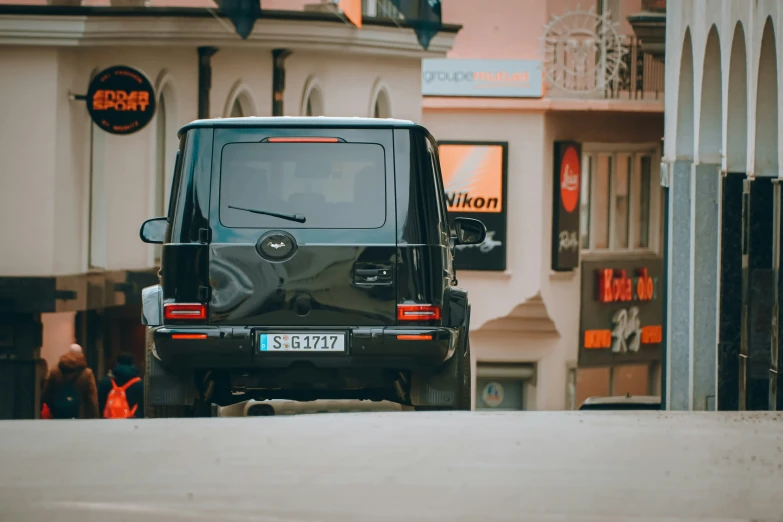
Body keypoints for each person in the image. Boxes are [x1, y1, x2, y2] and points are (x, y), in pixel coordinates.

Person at [41, 344, 99, 419]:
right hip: (80, 415)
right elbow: (92, 398)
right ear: (81, 355)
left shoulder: (55, 371)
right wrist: (95, 416)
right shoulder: (87, 374)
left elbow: (47, 394)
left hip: (58, 413)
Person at [98, 352, 144, 419]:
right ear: (132, 364)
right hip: (132, 421)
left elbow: (101, 404)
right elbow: (141, 406)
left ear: (117, 363)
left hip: (109, 422)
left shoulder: (105, 382)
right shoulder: (139, 384)